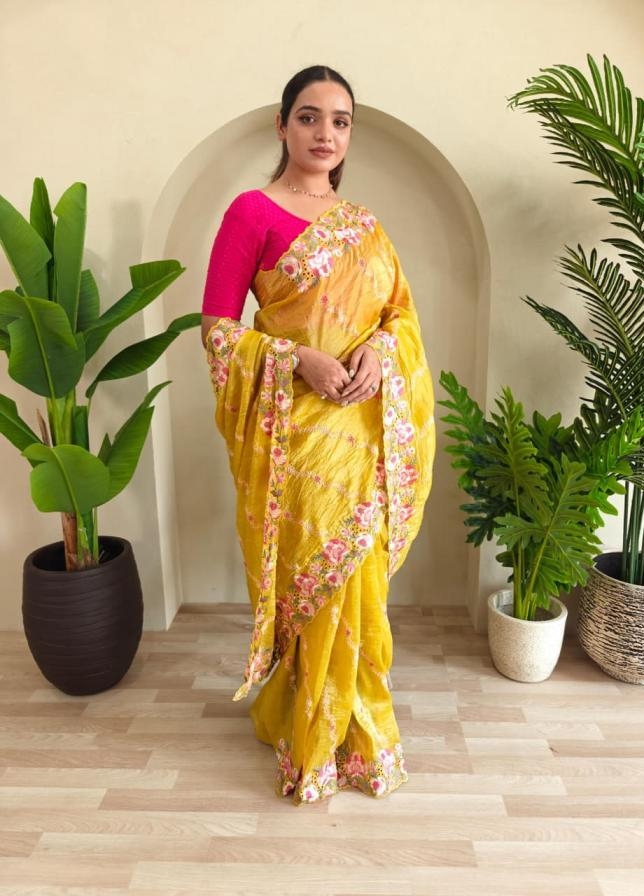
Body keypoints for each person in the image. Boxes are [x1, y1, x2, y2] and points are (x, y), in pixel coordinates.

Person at [201, 65, 435, 804]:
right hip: (298, 434)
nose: (324, 133)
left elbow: (399, 316)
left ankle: (357, 727)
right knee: (315, 585)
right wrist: (295, 359)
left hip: (365, 428)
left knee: (359, 584)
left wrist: (382, 350)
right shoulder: (250, 213)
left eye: (339, 120)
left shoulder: (364, 225)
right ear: (282, 126)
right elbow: (216, 330)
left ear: (349, 133)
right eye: (309, 117)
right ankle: (308, 731)